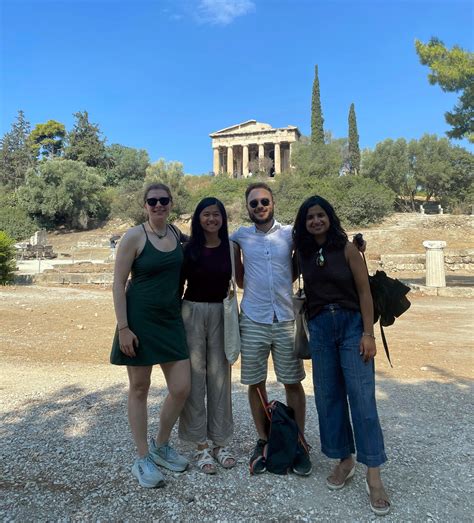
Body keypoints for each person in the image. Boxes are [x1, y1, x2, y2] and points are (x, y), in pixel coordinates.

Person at [293, 195, 390, 516]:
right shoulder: (302, 253)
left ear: (330, 217)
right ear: (303, 223)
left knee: (362, 399)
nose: (316, 221)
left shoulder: (348, 249)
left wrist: (368, 333)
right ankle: (344, 459)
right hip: (320, 327)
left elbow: (364, 292)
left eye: (320, 215)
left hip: (351, 326)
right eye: (310, 217)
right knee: (328, 397)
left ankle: (373, 475)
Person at [110, 182, 191, 489]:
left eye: (164, 200)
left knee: (181, 388)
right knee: (140, 388)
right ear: (144, 205)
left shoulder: (176, 234)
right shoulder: (134, 236)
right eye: (153, 201)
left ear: (171, 203)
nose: (158, 205)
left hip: (170, 320)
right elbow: (118, 283)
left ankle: (161, 444)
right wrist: (123, 327)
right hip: (139, 321)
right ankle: (142, 457)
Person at [230, 182, 311, 476]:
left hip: (286, 318)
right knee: (255, 383)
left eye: (264, 201)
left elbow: (305, 257)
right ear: (247, 207)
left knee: (293, 382)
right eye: (254, 203)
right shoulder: (239, 236)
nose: (260, 206)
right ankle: (264, 440)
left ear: (273, 203)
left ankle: (298, 441)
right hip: (253, 317)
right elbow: (236, 274)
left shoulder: (290, 233)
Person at [179, 197, 237, 474]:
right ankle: (200, 444)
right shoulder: (187, 249)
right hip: (191, 312)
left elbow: (240, 280)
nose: (212, 219)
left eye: (216, 214)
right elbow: (178, 285)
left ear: (223, 218)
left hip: (221, 313)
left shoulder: (231, 248)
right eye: (206, 214)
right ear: (198, 218)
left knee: (220, 378)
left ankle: (220, 442)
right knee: (194, 379)